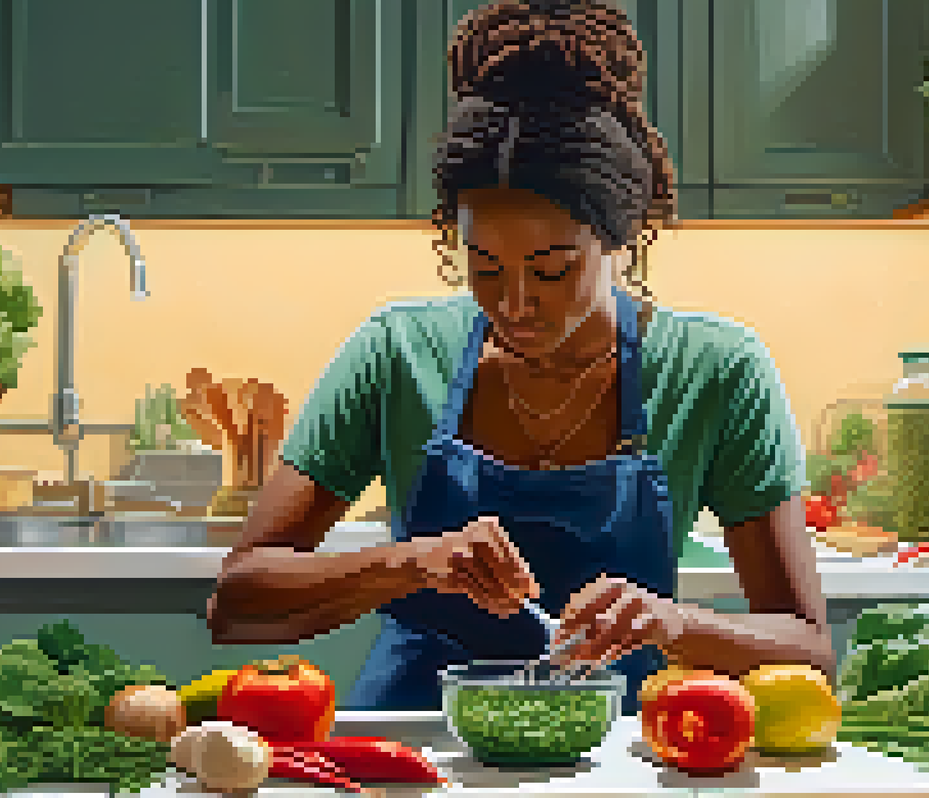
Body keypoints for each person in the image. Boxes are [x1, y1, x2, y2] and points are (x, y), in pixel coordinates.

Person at [206, 0, 834, 715]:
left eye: (552, 269)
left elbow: (808, 647)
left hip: (623, 753)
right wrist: (411, 562)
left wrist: (676, 623)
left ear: (619, 239)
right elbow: (238, 604)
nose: (514, 304)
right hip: (412, 743)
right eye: (484, 266)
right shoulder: (396, 353)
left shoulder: (716, 369)